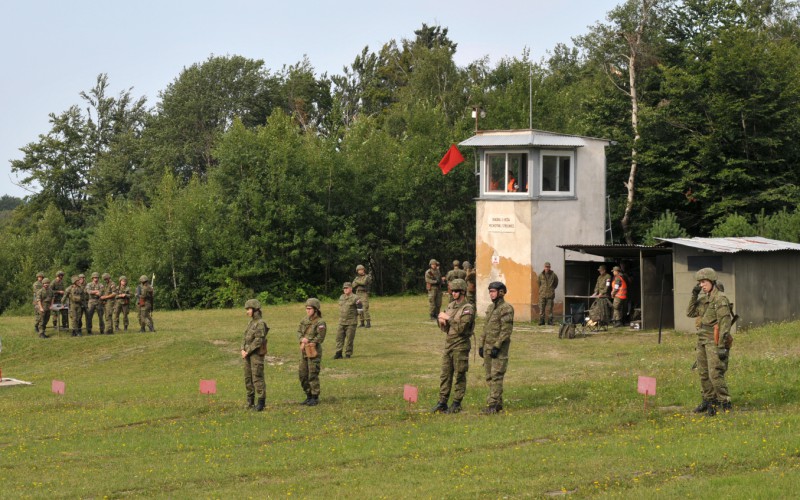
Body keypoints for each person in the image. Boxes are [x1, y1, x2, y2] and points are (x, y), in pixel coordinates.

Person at [687, 268, 734, 416]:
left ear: (712, 281)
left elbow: (725, 324)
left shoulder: (720, 299)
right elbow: (690, 312)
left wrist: (721, 346)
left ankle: (724, 401)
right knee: (703, 372)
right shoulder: (704, 299)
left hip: (714, 340)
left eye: (704, 282)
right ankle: (709, 401)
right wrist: (694, 295)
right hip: (702, 339)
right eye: (700, 283)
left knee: (715, 373)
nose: (702, 285)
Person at [431, 278, 475, 414]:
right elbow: (446, 328)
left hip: (460, 345)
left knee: (459, 374)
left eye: (456, 291)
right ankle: (442, 401)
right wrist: (441, 321)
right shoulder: (450, 306)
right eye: (452, 291)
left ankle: (456, 403)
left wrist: (448, 318)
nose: (453, 294)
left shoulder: (468, 308)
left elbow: (462, 328)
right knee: (445, 374)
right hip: (449, 344)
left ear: (462, 292)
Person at [480, 281, 514, 414]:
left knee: (497, 376)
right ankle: (498, 403)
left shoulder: (506, 308)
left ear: (501, 292)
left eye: (493, 291)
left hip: (499, 350)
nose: (491, 294)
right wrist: (482, 346)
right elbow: (485, 328)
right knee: (489, 377)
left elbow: (506, 330)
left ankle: (493, 404)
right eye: (490, 291)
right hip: (488, 347)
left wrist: (497, 346)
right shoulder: (490, 308)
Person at [241, 298, 269, 411]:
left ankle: (261, 402)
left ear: (255, 309)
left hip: (256, 355)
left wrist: (247, 351)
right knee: (248, 378)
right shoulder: (250, 323)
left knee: (257, 377)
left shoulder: (260, 324)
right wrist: (242, 349)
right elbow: (244, 337)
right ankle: (250, 401)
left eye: (249, 309)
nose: (247, 311)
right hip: (247, 355)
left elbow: (258, 340)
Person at [297, 298, 326, 406]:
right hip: (304, 350)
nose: (307, 311)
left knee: (312, 374)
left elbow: (321, 337)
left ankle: (315, 396)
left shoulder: (320, 322)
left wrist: (310, 341)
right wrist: (301, 339)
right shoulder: (304, 320)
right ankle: (308, 395)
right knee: (302, 374)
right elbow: (299, 331)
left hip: (314, 351)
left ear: (315, 309)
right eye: (306, 309)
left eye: (309, 309)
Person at [334, 282, 361, 359]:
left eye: (347, 288)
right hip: (341, 321)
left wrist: (355, 316)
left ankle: (348, 353)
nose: (345, 290)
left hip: (351, 322)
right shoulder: (342, 297)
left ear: (351, 288)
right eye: (344, 288)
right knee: (339, 338)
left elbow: (360, 309)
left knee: (349, 339)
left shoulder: (356, 298)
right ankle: (338, 353)